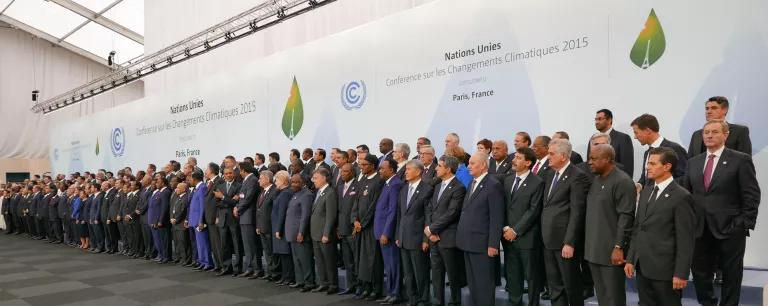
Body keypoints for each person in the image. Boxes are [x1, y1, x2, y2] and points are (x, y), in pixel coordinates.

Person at [682, 120, 760, 306]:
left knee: (732, 274)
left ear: (725, 135)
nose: (709, 135)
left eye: (714, 132)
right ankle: (708, 303)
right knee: (700, 273)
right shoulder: (693, 162)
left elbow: (751, 194)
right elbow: (687, 194)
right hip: (700, 228)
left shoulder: (740, 160)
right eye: (706, 132)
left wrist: (743, 224)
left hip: (731, 227)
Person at [625, 147, 696, 306]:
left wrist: (681, 273)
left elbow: (686, 240)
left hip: (666, 272)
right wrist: (630, 259)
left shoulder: (681, 196)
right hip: (642, 267)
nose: (647, 167)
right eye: (647, 163)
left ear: (667, 166)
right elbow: (637, 229)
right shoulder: (645, 192)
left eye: (652, 163)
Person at [584, 144, 637, 306]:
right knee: (602, 297)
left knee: (614, 298)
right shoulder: (596, 179)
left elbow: (626, 217)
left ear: (607, 159)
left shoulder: (623, 181)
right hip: (594, 250)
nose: (589, 162)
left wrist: (618, 246)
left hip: (612, 252)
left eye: (593, 159)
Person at [541, 139, 590, 306]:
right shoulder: (549, 174)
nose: (548, 156)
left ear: (563, 156)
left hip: (564, 242)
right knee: (555, 287)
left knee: (571, 286)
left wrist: (569, 242)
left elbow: (577, 212)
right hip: (548, 240)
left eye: (551, 153)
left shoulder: (578, 176)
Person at [456, 152, 505, 306]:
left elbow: (496, 217)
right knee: (473, 284)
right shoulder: (472, 182)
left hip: (482, 244)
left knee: (484, 284)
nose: (468, 166)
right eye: (469, 163)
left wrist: (493, 244)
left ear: (483, 165)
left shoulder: (493, 184)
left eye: (472, 164)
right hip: (467, 241)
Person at [502, 147, 546, 306]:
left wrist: (516, 230)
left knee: (532, 276)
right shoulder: (507, 180)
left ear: (528, 162)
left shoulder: (538, 182)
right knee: (513, 275)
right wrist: (506, 228)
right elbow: (504, 207)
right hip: (507, 236)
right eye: (515, 157)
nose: (514, 160)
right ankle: (515, 302)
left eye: (519, 158)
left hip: (527, 237)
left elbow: (533, 210)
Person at [425, 155, 467, 306]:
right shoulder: (437, 186)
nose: (436, 168)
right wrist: (430, 230)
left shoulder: (459, 187)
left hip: (448, 238)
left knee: (453, 274)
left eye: (439, 166)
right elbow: (430, 208)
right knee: (436, 273)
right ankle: (438, 301)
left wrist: (432, 228)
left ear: (448, 169)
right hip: (434, 237)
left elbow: (452, 213)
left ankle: (455, 302)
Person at [396, 160, 434, 306]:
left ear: (418, 172)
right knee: (408, 273)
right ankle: (412, 299)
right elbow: (400, 215)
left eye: (409, 169)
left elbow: (428, 216)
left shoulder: (427, 189)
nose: (405, 172)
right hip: (404, 237)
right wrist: (398, 236)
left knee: (420, 272)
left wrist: (426, 239)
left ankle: (423, 299)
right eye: (405, 169)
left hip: (418, 238)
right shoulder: (404, 189)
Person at [351, 154, 385, 301]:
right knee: (361, 259)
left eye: (365, 164)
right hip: (359, 227)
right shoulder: (363, 179)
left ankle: (375, 289)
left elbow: (374, 206)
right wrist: (354, 220)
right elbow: (356, 203)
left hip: (370, 228)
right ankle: (365, 287)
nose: (361, 166)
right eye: (361, 164)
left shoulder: (379, 181)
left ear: (372, 165)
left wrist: (363, 223)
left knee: (373, 259)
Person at [373, 159, 403, 304]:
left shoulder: (396, 184)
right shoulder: (387, 184)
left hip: (388, 234)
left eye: (382, 169)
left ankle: (395, 293)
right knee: (388, 265)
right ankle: (391, 292)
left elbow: (393, 211)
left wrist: (386, 232)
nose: (380, 171)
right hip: (380, 231)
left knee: (393, 264)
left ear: (391, 169)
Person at [630, 114, 687, 187]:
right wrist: (639, 185)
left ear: (648, 131)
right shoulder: (647, 153)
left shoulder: (674, 148)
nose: (635, 137)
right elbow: (645, 179)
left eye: (636, 132)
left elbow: (684, 177)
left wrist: (662, 188)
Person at [309, 168, 339, 294]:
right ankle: (323, 282)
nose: (312, 180)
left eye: (315, 178)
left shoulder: (330, 193)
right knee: (320, 261)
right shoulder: (319, 192)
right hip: (315, 233)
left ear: (324, 178)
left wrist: (326, 233)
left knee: (329, 261)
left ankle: (333, 284)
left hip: (324, 234)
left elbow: (330, 216)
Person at [285, 174, 316, 291]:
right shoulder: (295, 194)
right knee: (297, 259)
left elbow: (305, 216)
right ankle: (300, 281)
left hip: (300, 233)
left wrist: (301, 232)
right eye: (292, 182)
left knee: (305, 259)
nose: (293, 184)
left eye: (296, 182)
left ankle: (309, 283)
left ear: (302, 183)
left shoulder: (307, 195)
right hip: (292, 233)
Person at [234, 161, 263, 278]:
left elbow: (248, 198)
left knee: (252, 244)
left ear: (243, 170)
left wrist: (238, 208)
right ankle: (250, 267)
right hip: (244, 215)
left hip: (249, 216)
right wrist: (237, 206)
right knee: (247, 245)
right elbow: (241, 196)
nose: (238, 172)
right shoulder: (246, 180)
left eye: (239, 170)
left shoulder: (253, 180)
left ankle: (257, 268)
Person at [214, 167, 243, 276]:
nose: (228, 175)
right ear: (223, 175)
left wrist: (223, 197)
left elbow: (237, 202)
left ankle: (238, 268)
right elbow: (217, 203)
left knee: (236, 244)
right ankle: (226, 267)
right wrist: (229, 200)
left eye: (230, 173)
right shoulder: (219, 186)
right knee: (224, 244)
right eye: (226, 173)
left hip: (234, 218)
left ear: (234, 174)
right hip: (222, 218)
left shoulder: (239, 186)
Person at [590, 109, 635, 177]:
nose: (597, 122)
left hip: (616, 182)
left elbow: (627, 167)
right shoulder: (592, 139)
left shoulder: (623, 138)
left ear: (609, 120)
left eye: (600, 119)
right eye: (596, 119)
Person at [336, 163, 359, 295]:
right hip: (343, 229)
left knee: (356, 259)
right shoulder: (339, 187)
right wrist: (338, 227)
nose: (342, 174)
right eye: (341, 172)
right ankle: (351, 285)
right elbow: (339, 210)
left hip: (353, 229)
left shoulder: (358, 185)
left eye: (345, 172)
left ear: (351, 172)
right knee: (347, 260)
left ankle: (360, 285)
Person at [255, 170, 281, 280]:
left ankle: (276, 273)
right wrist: (258, 226)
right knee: (267, 252)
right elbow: (258, 210)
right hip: (262, 227)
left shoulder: (275, 191)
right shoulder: (262, 192)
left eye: (261, 178)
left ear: (267, 179)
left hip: (270, 227)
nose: (259, 180)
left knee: (273, 252)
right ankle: (270, 272)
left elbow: (275, 211)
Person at [272, 170, 295, 286]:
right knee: (282, 254)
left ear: (283, 181)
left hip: (282, 229)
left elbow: (282, 213)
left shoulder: (286, 193)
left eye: (276, 179)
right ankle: (285, 276)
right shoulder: (282, 192)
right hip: (279, 228)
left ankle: (289, 277)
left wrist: (278, 229)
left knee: (286, 254)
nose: (275, 182)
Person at [189, 171, 214, 271]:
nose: (189, 180)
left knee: (203, 243)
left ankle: (208, 262)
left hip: (199, 221)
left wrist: (201, 221)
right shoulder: (197, 188)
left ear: (194, 179)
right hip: (194, 221)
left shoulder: (202, 188)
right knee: (199, 243)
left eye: (190, 178)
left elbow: (202, 206)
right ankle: (202, 261)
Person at [149, 176, 172, 263]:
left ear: (163, 183)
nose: (156, 184)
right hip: (158, 220)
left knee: (165, 240)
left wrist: (160, 220)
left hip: (163, 221)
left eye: (158, 182)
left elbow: (164, 208)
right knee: (161, 240)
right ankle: (162, 255)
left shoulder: (166, 192)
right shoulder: (160, 192)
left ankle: (166, 256)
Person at [170, 182, 191, 266]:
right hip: (175, 224)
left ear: (184, 189)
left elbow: (183, 211)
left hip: (181, 224)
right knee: (178, 242)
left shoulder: (185, 198)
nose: (176, 189)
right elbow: (173, 208)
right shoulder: (178, 197)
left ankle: (186, 259)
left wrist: (176, 219)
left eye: (178, 188)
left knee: (184, 243)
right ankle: (180, 258)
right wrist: (172, 217)